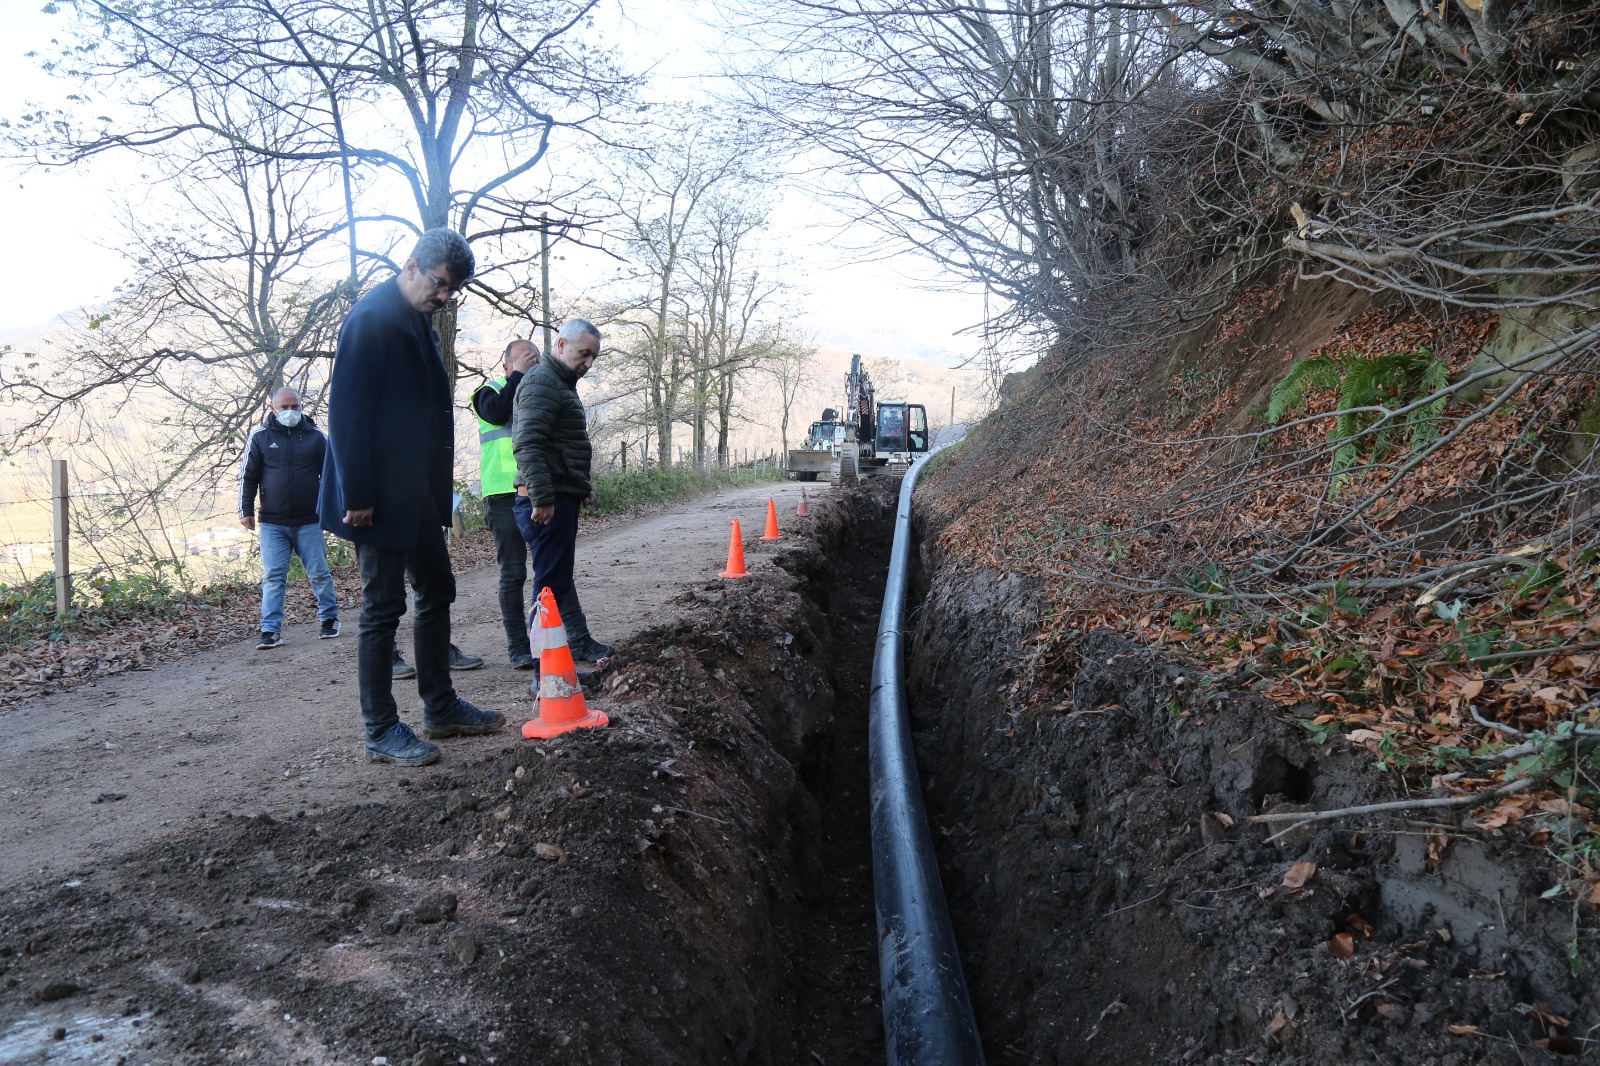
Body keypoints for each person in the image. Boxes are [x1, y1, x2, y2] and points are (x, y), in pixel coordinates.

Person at [320, 228, 504, 767]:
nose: (445, 296)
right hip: (375, 495)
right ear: (411, 266)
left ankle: (439, 707)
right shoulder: (372, 319)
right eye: (441, 284)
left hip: (415, 490)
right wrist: (358, 492)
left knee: (437, 588)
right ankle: (380, 730)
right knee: (382, 607)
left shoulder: (417, 318)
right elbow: (347, 413)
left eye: (453, 290)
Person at [511, 318, 614, 670]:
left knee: (558, 578)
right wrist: (541, 497)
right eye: (583, 353)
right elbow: (528, 444)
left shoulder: (560, 384)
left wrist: (579, 487)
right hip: (546, 501)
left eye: (593, 357)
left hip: (559, 495)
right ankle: (545, 671)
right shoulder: (542, 382)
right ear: (560, 345)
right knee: (548, 587)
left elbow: (562, 446)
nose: (588, 363)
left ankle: (579, 642)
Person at [238, 386, 339, 650]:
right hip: (272, 521)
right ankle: (270, 630)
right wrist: (245, 510)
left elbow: (331, 475)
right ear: (273, 408)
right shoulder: (260, 437)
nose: (290, 412)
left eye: (295, 407)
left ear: (301, 407)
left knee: (319, 572)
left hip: (309, 520)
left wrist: (334, 509)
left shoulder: (316, 436)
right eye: (284, 407)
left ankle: (329, 618)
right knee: (273, 576)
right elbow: (248, 477)